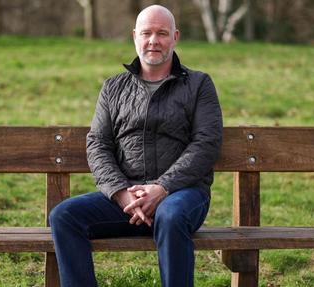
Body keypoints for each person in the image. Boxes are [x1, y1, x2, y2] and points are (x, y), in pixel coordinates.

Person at [49, 4, 223, 287]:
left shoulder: (199, 84)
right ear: (135, 36)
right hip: (126, 198)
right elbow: (98, 144)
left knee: (171, 215)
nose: (153, 40)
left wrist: (162, 187)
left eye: (162, 33)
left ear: (175, 37)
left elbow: (207, 143)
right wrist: (121, 193)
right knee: (64, 216)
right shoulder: (113, 88)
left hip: (182, 194)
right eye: (147, 33)